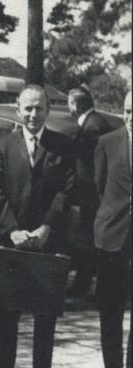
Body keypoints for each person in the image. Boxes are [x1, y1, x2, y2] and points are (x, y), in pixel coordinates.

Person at [0, 85, 75, 368]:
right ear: (17, 110)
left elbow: (66, 190)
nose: (33, 114)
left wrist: (47, 227)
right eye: (28, 108)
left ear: (48, 109)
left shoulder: (62, 146)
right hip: (12, 241)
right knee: (7, 312)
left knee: (45, 315)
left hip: (47, 241)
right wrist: (11, 229)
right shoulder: (2, 146)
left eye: (39, 108)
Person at [93, 91, 131, 368]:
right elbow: (98, 185)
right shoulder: (107, 142)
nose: (132, 118)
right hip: (112, 237)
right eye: (128, 111)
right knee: (110, 307)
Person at [66, 86, 114, 297]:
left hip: (92, 196)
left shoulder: (92, 128)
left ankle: (84, 284)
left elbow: (93, 166)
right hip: (93, 195)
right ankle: (85, 283)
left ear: (75, 105)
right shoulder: (95, 122)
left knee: (89, 240)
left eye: (69, 103)